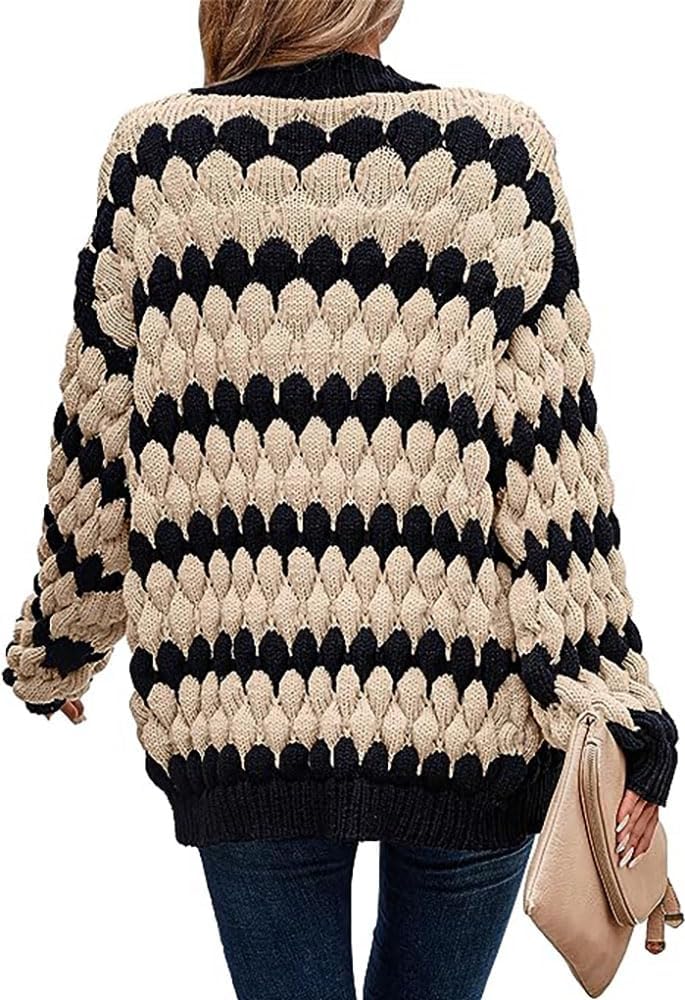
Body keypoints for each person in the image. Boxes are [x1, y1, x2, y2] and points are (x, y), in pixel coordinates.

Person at [5, 1, 678, 998]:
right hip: (469, 717)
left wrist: (58, 647)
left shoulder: (159, 161)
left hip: (242, 710)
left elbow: (100, 440)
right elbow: (555, 473)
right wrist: (622, 708)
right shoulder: (492, 156)